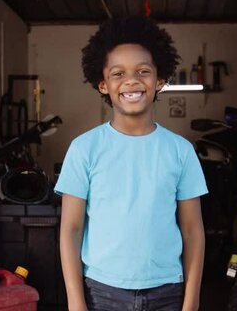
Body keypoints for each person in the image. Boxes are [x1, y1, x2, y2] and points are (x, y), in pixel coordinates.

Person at [55, 16, 208, 311]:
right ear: (102, 84)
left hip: (168, 291)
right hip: (102, 293)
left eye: (143, 71)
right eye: (118, 73)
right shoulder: (84, 149)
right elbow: (71, 229)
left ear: (159, 81)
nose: (131, 80)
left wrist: (191, 302)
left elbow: (192, 230)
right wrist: (75, 303)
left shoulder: (181, 151)